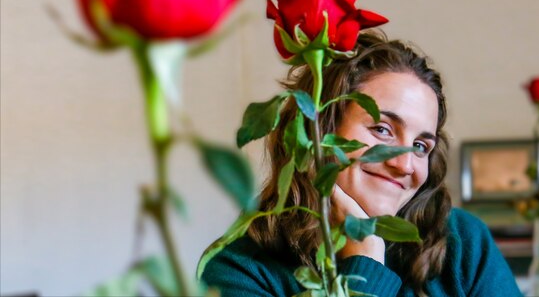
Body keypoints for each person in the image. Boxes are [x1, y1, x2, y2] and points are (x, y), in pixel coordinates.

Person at [200, 30, 522, 297]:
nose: (406, 165)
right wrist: (365, 266)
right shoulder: (238, 272)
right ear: (320, 130)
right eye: (382, 129)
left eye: (421, 146)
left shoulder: (463, 243)